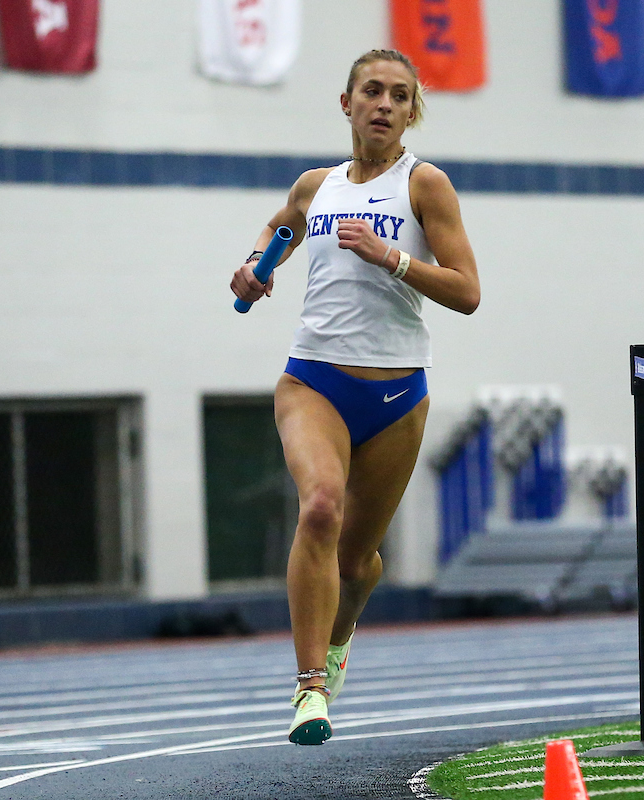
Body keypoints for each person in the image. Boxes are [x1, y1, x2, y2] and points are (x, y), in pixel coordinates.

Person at [229, 49, 481, 746]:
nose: (385, 104)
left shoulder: (425, 186)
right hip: (314, 379)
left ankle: (339, 642)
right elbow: (282, 226)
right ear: (347, 103)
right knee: (319, 508)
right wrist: (256, 268)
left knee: (358, 561)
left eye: (400, 96)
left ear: (409, 113)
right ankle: (311, 690)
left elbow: (468, 292)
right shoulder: (318, 185)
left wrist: (393, 257)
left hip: (398, 392)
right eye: (372, 91)